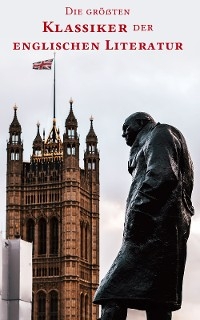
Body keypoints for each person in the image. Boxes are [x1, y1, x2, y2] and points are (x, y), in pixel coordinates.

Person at [93, 112, 194, 320]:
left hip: (151, 232)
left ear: (141, 123)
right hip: (162, 233)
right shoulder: (155, 140)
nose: (123, 135)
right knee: (157, 301)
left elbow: (163, 175)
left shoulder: (160, 134)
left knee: (111, 293)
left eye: (126, 128)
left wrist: (137, 213)